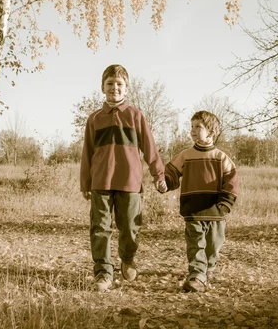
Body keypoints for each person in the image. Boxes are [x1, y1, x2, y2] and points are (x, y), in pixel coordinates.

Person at [80, 64, 167, 292]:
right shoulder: (94, 119)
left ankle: (127, 258)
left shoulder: (135, 116)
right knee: (100, 227)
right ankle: (103, 271)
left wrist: (159, 174)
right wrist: (85, 183)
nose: (114, 88)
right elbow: (87, 153)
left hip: (130, 182)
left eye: (119, 84)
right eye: (110, 84)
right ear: (102, 87)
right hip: (101, 182)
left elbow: (150, 148)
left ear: (126, 89)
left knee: (129, 226)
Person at [161, 110, 239, 292]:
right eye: (191, 127)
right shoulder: (186, 155)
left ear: (211, 132)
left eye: (198, 127)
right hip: (193, 210)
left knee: (213, 245)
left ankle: (209, 268)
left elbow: (232, 182)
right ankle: (196, 274)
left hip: (215, 212)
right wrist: (164, 182)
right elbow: (171, 172)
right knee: (195, 244)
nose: (193, 130)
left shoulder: (221, 158)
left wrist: (225, 205)